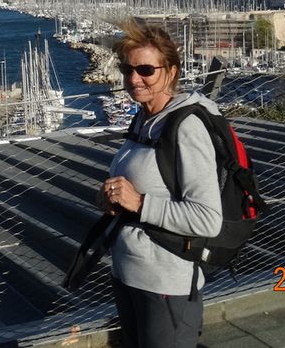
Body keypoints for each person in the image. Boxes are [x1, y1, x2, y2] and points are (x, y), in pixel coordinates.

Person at [98, 18, 223, 348]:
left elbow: (207, 218)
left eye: (145, 70)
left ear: (171, 71)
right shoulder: (143, 117)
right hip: (130, 273)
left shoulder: (186, 127)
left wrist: (138, 203)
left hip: (167, 283)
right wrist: (112, 201)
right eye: (127, 70)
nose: (133, 79)